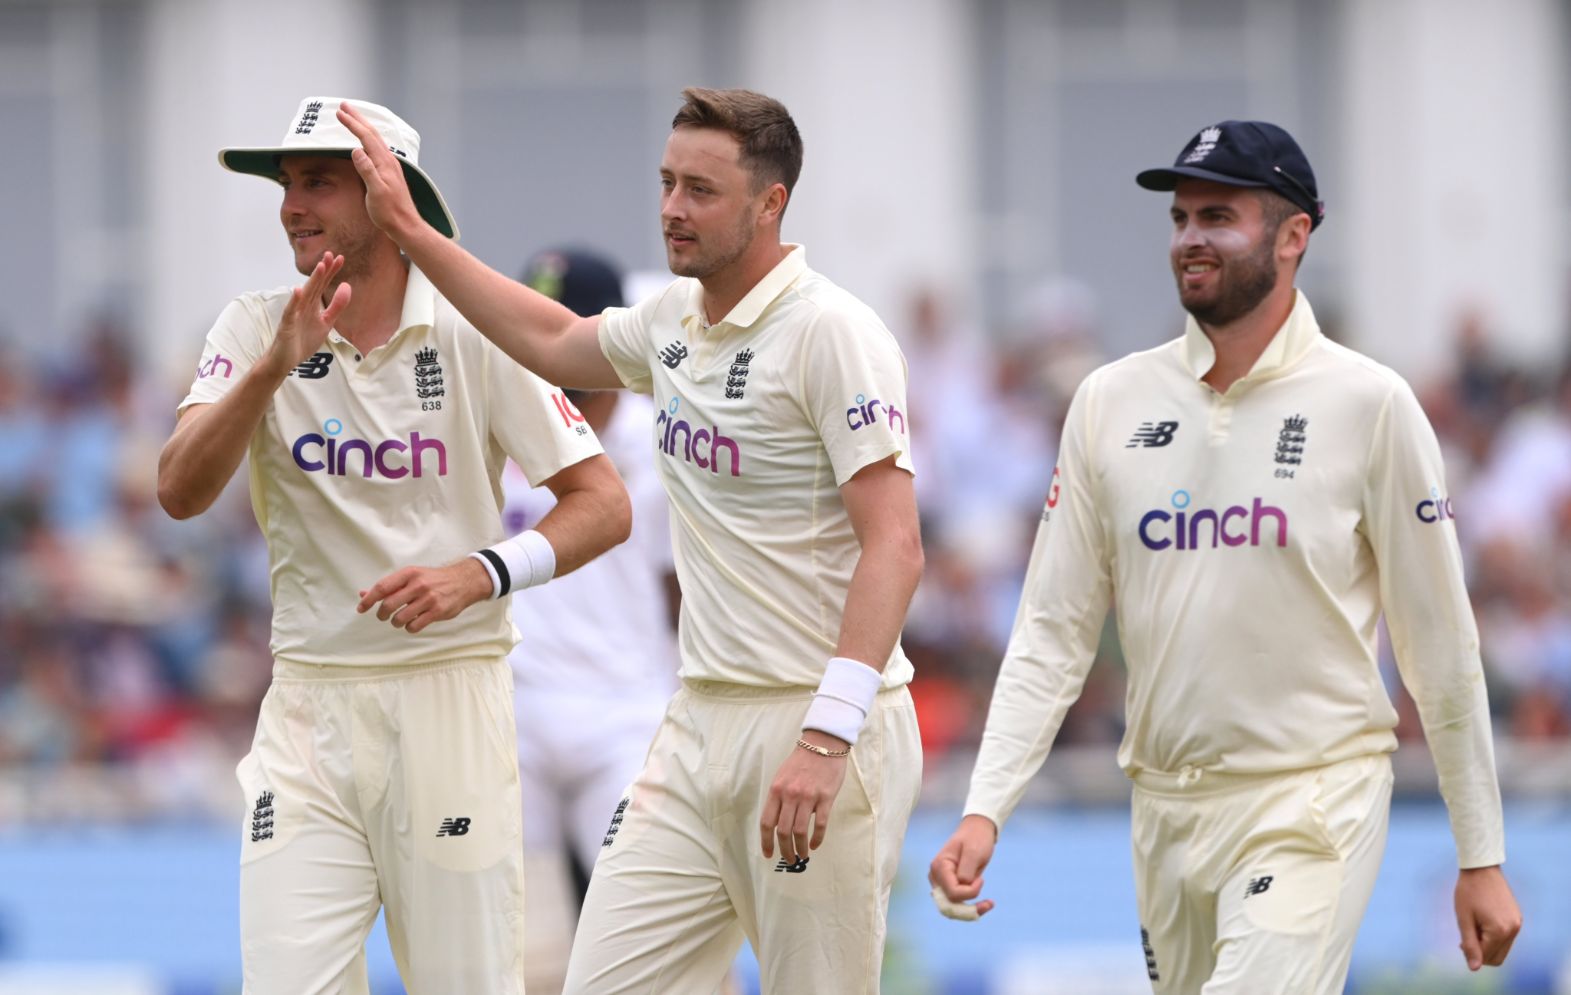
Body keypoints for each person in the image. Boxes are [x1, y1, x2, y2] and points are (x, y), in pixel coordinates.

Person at [338, 87, 925, 993]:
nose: (671, 209)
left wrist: (825, 735)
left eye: (700, 190)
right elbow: (553, 337)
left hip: (811, 724)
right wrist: (413, 236)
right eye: (665, 183)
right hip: (693, 724)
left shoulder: (832, 333)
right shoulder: (672, 323)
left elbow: (895, 545)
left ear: (770, 204)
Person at [928, 120, 1522, 993]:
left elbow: (1439, 642)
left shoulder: (1371, 405)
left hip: (1310, 796)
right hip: (1163, 809)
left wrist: (1481, 850)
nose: (1189, 239)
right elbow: (1052, 631)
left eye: (1217, 216)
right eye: (1179, 219)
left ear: (1293, 236)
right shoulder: (1108, 402)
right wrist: (984, 808)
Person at [156, 96, 631, 995]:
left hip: (450, 701)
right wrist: (272, 369)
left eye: (321, 182)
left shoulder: (476, 328)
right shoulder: (254, 326)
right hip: (307, 708)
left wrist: (481, 573)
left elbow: (602, 503)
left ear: (388, 194)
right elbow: (178, 490)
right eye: (289, 185)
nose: (294, 205)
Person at [502, 248, 680, 993]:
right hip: (515, 713)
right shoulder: (500, 421)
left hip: (626, 715)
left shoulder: (664, 437)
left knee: (649, 949)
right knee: (527, 959)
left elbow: (686, 592)